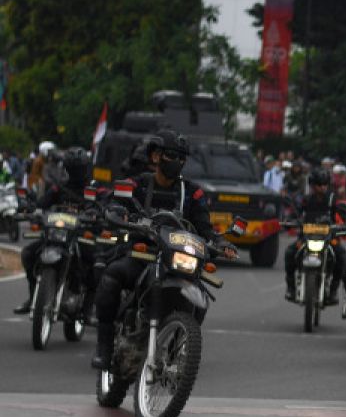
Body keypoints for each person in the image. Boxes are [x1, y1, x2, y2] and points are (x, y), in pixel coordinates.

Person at [91, 131, 235, 369]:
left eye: (182, 158)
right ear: (156, 156)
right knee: (112, 276)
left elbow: (204, 228)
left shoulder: (192, 192)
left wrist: (219, 244)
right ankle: (104, 346)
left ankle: (178, 349)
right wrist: (117, 211)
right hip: (142, 253)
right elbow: (115, 203)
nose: (177, 162)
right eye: (171, 156)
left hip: (176, 259)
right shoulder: (137, 184)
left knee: (199, 298)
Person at [13, 148, 96, 315]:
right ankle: (32, 297)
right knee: (28, 253)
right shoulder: (59, 189)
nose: (76, 172)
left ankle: (87, 308)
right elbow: (41, 203)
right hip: (55, 236)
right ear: (66, 169)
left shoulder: (92, 191)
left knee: (97, 264)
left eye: (78, 169)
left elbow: (101, 208)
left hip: (79, 238)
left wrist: (98, 214)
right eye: (72, 168)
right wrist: (29, 207)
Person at [284, 168, 346, 304]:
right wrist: (289, 220)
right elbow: (295, 213)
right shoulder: (306, 200)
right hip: (306, 237)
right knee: (289, 253)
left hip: (329, 238)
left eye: (325, 184)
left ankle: (333, 290)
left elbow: (344, 214)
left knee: (342, 257)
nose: (322, 187)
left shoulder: (332, 199)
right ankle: (291, 288)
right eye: (319, 184)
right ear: (313, 185)